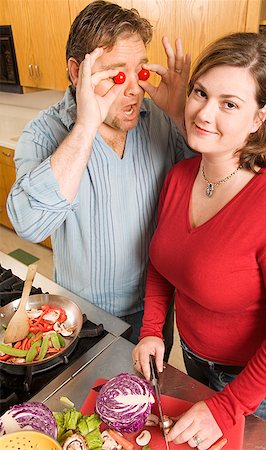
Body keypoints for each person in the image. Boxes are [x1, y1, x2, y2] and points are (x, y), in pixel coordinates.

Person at [133, 32, 266, 449]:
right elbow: (162, 260)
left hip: (254, 377)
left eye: (229, 104)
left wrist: (227, 407)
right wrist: (153, 329)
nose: (204, 113)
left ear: (261, 116)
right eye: (200, 92)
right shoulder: (181, 176)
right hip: (190, 355)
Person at [6, 0, 192, 351]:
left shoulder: (161, 120)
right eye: (117, 75)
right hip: (81, 316)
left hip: (153, 315)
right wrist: (86, 125)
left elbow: (209, 191)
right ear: (78, 73)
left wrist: (182, 114)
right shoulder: (44, 133)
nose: (135, 89)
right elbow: (29, 225)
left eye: (140, 72)